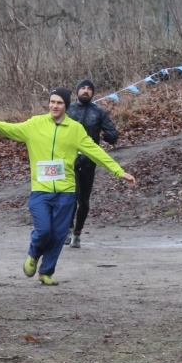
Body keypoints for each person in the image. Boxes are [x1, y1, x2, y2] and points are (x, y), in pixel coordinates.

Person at [0, 88, 135, 285]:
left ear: (66, 106)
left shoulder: (75, 129)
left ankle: (46, 272)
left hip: (66, 192)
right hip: (40, 191)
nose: (55, 106)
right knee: (44, 230)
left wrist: (118, 171)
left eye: (59, 103)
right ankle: (34, 254)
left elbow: (96, 151)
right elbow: (7, 129)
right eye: (52, 102)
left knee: (58, 234)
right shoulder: (34, 124)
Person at [65, 78, 119, 248]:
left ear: (93, 92)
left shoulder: (99, 112)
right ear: (77, 91)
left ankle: (77, 233)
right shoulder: (67, 110)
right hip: (68, 160)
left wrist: (108, 136)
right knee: (70, 197)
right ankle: (68, 228)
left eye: (89, 89)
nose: (86, 91)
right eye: (83, 88)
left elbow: (113, 133)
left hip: (89, 161)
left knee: (84, 200)